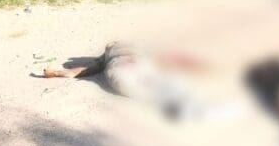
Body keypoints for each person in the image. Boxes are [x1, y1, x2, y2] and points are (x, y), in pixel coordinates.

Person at [42, 41, 209, 120]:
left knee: (136, 85)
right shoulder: (128, 50)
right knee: (145, 85)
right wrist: (58, 72)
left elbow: (87, 69)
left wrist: (59, 72)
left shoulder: (109, 55)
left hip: (126, 64)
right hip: (134, 63)